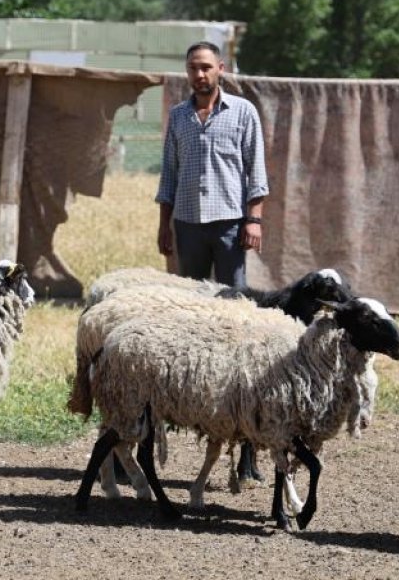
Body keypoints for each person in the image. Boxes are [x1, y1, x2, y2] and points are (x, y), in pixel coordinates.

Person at [156, 41, 269, 484]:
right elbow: (169, 173)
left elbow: (255, 171)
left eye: (206, 67)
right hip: (188, 223)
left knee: (237, 313)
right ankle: (190, 402)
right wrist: (164, 225)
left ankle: (247, 442)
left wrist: (254, 219)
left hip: (228, 224)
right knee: (190, 314)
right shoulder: (180, 117)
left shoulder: (243, 113)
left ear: (221, 69)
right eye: (193, 69)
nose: (199, 75)